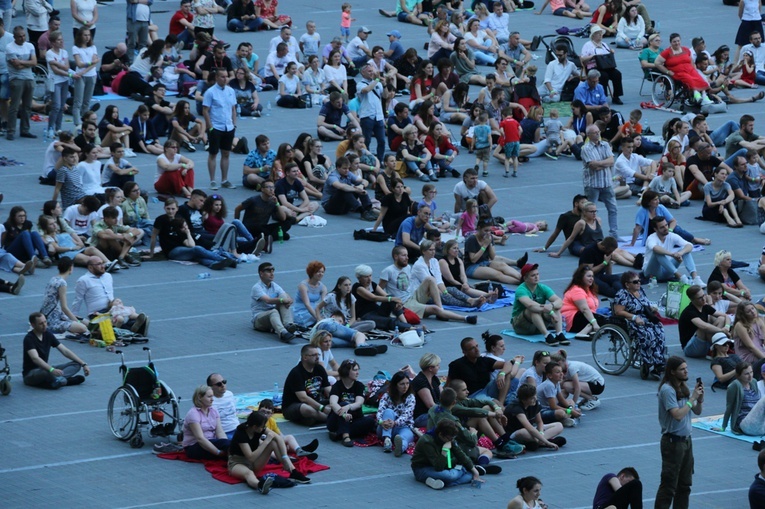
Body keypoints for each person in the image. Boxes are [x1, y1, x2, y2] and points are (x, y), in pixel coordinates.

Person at [655, 356, 704, 509]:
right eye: (682, 369)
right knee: (669, 485)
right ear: (672, 372)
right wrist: (692, 398)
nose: (686, 371)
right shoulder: (667, 390)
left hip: (686, 441)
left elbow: (697, 411)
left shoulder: (683, 387)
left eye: (686, 368)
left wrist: (699, 399)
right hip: (673, 442)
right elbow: (677, 415)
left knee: (685, 485)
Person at [71, 256, 149, 334]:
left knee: (128, 316)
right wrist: (73, 317)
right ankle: (129, 329)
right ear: (90, 267)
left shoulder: (108, 276)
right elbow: (78, 299)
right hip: (98, 313)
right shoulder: (83, 280)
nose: (103, 266)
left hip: (113, 309)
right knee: (119, 321)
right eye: (99, 264)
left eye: (102, 263)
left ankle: (129, 328)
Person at [614, 271, 667, 380]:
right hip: (631, 321)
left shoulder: (640, 291)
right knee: (648, 334)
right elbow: (618, 312)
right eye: (635, 282)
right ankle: (649, 361)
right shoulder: (622, 294)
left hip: (645, 319)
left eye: (639, 281)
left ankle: (658, 362)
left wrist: (652, 308)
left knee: (659, 331)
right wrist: (634, 317)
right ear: (627, 284)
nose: (638, 283)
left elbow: (645, 304)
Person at [22, 312, 90, 389]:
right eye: (41, 324)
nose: (44, 325)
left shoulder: (47, 334)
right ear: (33, 325)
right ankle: (64, 381)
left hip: (47, 369)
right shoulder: (29, 338)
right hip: (32, 373)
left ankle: (56, 381)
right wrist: (51, 369)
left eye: (45, 322)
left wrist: (83, 364)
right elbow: (35, 358)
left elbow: (65, 351)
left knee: (76, 364)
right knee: (45, 372)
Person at [410, 419, 483, 491]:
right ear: (440, 434)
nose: (451, 440)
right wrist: (444, 451)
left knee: (470, 476)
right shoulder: (427, 442)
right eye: (449, 438)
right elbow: (438, 467)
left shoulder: (449, 438)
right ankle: (462, 470)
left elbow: (460, 454)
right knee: (450, 476)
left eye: (453, 438)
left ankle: (441, 484)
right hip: (422, 468)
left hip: (440, 468)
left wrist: (475, 472)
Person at [446, 336, 518, 405]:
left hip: (487, 389)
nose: (477, 350)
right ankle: (501, 405)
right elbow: (449, 384)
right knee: (494, 403)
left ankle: (501, 402)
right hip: (473, 394)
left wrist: (502, 374)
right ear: (464, 352)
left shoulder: (483, 360)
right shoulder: (456, 365)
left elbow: (508, 364)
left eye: (477, 346)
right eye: (472, 348)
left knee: (507, 374)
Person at [512, 263, 567, 346]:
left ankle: (559, 333)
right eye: (533, 275)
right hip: (521, 326)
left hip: (537, 325)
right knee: (533, 309)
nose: (536, 277)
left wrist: (551, 306)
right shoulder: (521, 289)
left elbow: (559, 301)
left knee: (555, 307)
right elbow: (530, 305)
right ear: (525, 278)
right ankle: (547, 335)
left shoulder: (542, 287)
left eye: (537, 274)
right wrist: (549, 311)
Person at [326, 359, 376, 446]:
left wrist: (348, 407)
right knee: (342, 404)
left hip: (354, 419)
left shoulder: (359, 386)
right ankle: (345, 436)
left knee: (371, 421)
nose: (357, 373)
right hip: (336, 419)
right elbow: (333, 403)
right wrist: (344, 413)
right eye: (355, 370)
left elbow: (359, 403)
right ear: (346, 371)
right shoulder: (337, 386)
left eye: (358, 370)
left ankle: (338, 433)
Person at [654, 33, 714, 106]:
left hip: (689, 69)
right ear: (671, 42)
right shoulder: (667, 52)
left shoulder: (686, 49)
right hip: (677, 72)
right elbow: (657, 63)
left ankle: (704, 96)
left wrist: (694, 69)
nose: (677, 43)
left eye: (678, 41)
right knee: (689, 79)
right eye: (674, 41)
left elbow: (691, 60)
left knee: (699, 77)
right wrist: (667, 71)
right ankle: (696, 94)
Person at [581, 124, 619, 238]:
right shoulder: (585, 149)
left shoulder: (605, 144)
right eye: (594, 132)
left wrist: (600, 163)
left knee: (613, 209)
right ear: (588, 135)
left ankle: (614, 234)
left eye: (598, 131)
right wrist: (605, 163)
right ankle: (590, 233)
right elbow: (593, 166)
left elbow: (612, 161)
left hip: (607, 183)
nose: (598, 133)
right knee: (590, 211)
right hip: (593, 184)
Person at [643, 217, 705, 286]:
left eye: (666, 225)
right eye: (662, 227)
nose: (666, 228)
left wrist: (680, 253)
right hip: (652, 272)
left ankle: (695, 278)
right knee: (657, 252)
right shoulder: (651, 238)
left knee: (684, 249)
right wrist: (672, 254)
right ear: (655, 229)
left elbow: (689, 245)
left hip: (668, 269)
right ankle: (680, 277)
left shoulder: (671, 235)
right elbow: (655, 248)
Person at [203, 68, 237, 191]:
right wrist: (210, 127)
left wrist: (234, 124)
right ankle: (212, 180)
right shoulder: (210, 92)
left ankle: (224, 180)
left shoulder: (231, 91)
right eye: (222, 76)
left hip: (228, 126)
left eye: (226, 76)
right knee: (213, 153)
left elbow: (233, 108)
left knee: (226, 153)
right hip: (216, 127)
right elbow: (205, 111)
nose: (225, 79)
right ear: (217, 77)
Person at [463, 219, 525, 286]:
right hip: (472, 267)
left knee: (502, 265)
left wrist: (489, 244)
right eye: (486, 230)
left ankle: (522, 278)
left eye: (490, 231)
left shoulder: (489, 237)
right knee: (497, 274)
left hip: (485, 262)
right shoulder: (472, 239)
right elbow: (473, 260)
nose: (488, 233)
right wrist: (485, 245)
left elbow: (492, 257)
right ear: (479, 228)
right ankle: (520, 283)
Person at [282, 344, 331, 425]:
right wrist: (322, 408)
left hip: (315, 402)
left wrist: (336, 402)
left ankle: (314, 418)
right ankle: (331, 419)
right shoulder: (296, 373)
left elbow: (329, 390)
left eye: (318, 354)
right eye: (314, 355)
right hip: (294, 405)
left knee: (337, 401)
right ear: (305, 357)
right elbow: (303, 398)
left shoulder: (320, 369)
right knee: (307, 409)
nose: (317, 357)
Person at [679, 285, 731, 359]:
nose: (704, 299)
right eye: (700, 298)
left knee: (721, 319)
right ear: (692, 299)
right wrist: (722, 331)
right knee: (703, 328)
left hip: (704, 343)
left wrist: (727, 327)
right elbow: (704, 326)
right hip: (690, 348)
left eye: (704, 295)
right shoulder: (689, 312)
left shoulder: (705, 306)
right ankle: (716, 349)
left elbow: (726, 316)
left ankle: (716, 348)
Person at [250, 262, 296, 343]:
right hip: (259, 319)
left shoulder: (274, 285)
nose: (272, 273)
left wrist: (289, 299)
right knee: (274, 310)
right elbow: (268, 300)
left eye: (272, 271)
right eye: (268, 271)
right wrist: (282, 300)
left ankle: (288, 325)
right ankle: (282, 333)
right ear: (261, 273)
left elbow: (284, 294)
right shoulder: (256, 287)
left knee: (283, 299)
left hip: (274, 316)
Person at [321, 156, 377, 221]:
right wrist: (356, 190)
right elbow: (340, 186)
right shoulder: (333, 176)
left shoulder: (348, 173)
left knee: (358, 185)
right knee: (343, 190)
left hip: (343, 206)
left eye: (348, 168)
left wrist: (361, 186)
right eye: (344, 168)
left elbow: (365, 181)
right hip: (331, 207)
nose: (347, 170)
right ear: (338, 168)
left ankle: (368, 210)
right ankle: (362, 211)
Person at [181, 385, 230, 460]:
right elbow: (200, 439)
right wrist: (218, 452)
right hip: (194, 446)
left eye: (212, 396)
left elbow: (220, 431)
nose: (212, 399)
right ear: (200, 397)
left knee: (231, 444)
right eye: (209, 397)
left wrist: (225, 442)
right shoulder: (193, 414)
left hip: (210, 441)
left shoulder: (213, 410)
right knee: (227, 446)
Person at [6, 26, 37, 141]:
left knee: (27, 106)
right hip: (16, 79)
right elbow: (16, 66)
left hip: (29, 78)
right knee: (14, 106)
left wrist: (21, 61)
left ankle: (25, 130)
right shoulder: (10, 47)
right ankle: (11, 131)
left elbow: (35, 62)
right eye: (19, 36)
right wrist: (28, 63)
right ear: (14, 37)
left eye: (24, 35)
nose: (22, 38)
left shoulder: (30, 46)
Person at [719, 362, 765, 437]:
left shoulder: (753, 382)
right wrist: (723, 427)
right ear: (738, 375)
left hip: (758, 424)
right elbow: (729, 407)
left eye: (751, 372)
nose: (750, 376)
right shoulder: (734, 386)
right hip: (745, 424)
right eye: (746, 374)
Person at [561, 264, 603, 338]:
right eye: (589, 276)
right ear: (581, 277)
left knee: (603, 319)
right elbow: (584, 309)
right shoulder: (576, 290)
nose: (591, 279)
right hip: (571, 318)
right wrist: (594, 323)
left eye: (592, 276)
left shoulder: (589, 289)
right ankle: (583, 332)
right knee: (599, 319)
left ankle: (591, 328)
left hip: (582, 316)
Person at [356, 63, 387, 163]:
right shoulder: (360, 84)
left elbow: (385, 96)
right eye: (369, 71)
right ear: (363, 73)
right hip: (367, 116)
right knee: (367, 141)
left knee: (382, 140)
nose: (372, 73)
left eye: (372, 71)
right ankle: (367, 160)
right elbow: (366, 90)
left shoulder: (377, 83)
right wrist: (376, 80)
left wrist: (385, 84)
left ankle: (380, 160)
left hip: (379, 116)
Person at [733, 302, 765, 378]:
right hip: (747, 356)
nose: (753, 312)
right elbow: (751, 347)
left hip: (760, 351)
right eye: (748, 311)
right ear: (743, 315)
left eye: (753, 308)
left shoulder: (759, 320)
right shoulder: (740, 325)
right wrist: (764, 358)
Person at [292, 260, 327, 328]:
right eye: (318, 272)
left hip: (314, 310)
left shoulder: (323, 287)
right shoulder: (303, 286)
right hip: (302, 311)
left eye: (322, 272)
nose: (321, 274)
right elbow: (307, 304)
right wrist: (318, 318)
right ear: (312, 273)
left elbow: (324, 303)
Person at [206, 373, 238, 439]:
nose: (223, 385)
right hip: (223, 432)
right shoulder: (209, 401)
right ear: (211, 387)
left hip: (237, 428)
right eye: (219, 384)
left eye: (224, 382)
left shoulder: (230, 394)